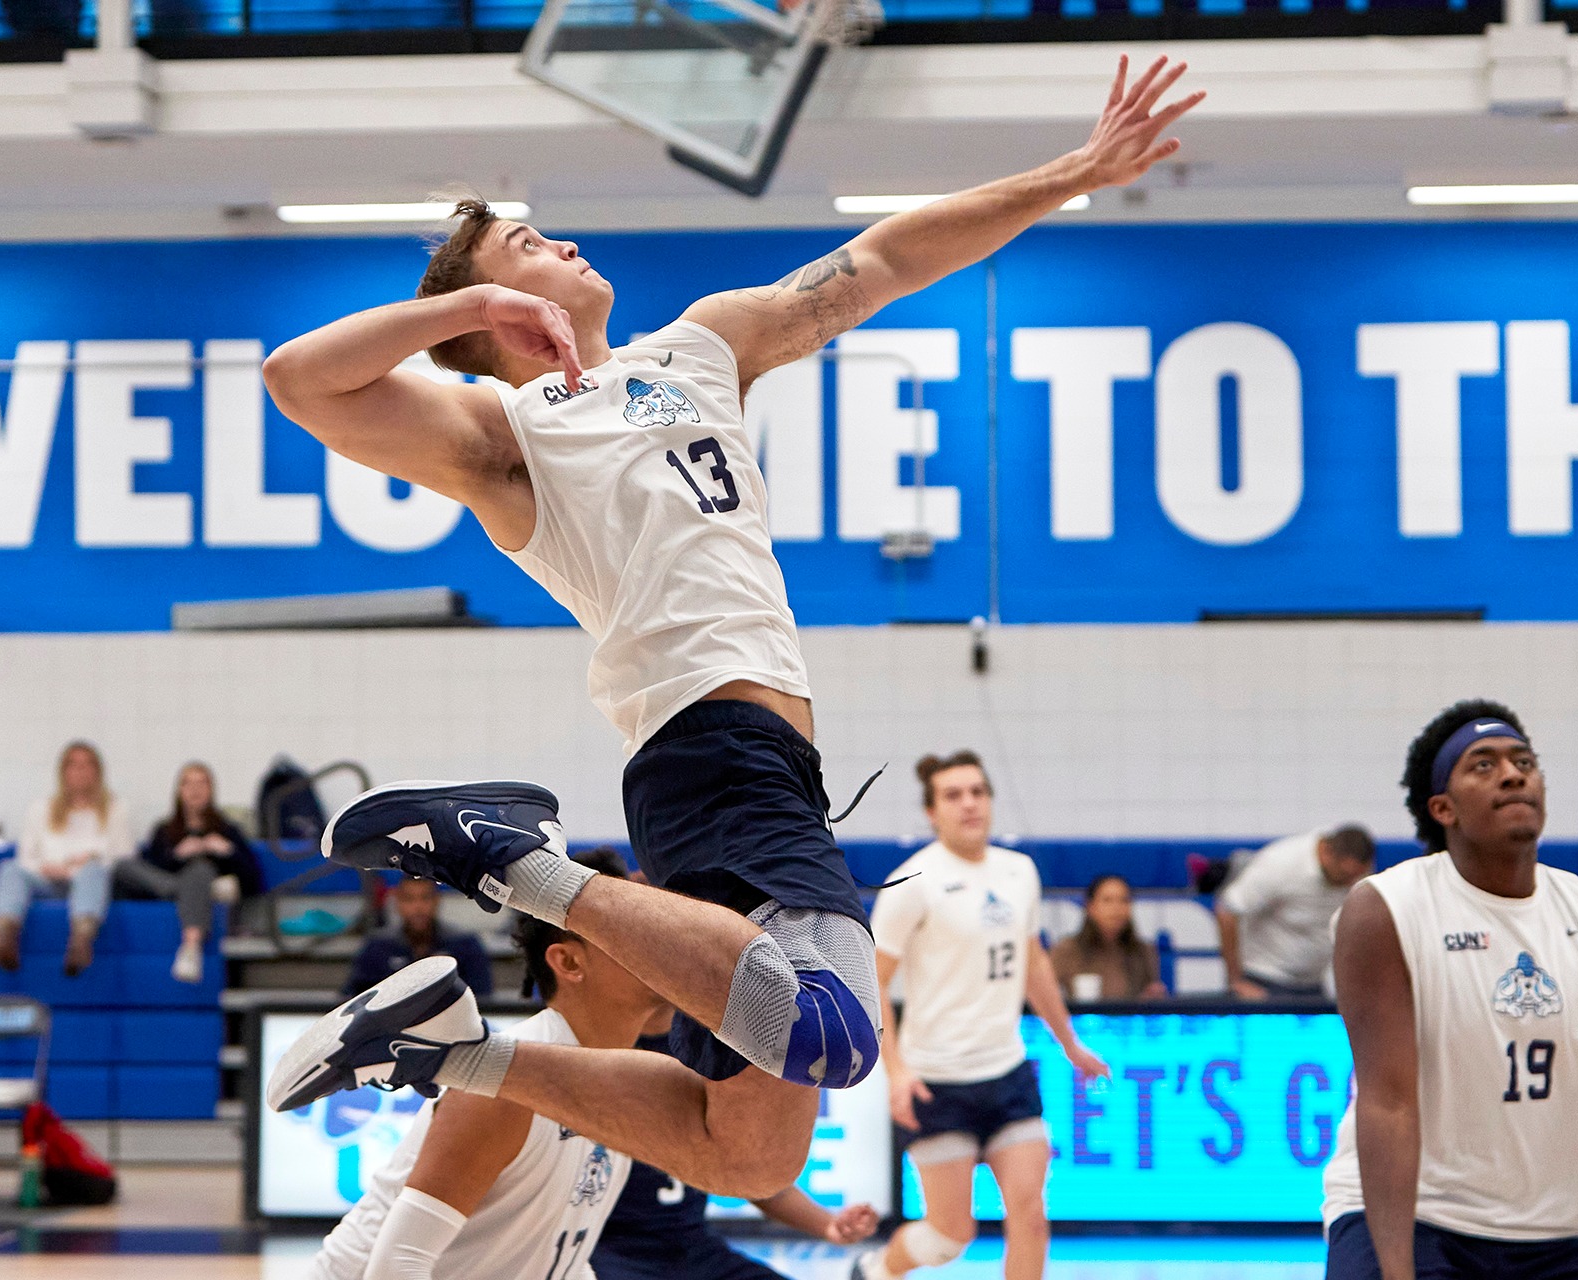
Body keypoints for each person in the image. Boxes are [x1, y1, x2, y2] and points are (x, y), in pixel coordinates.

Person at [260, 56, 1202, 1200]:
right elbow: (298, 380)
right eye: (526, 244)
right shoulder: (510, 429)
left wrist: (1078, 172)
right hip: (711, 739)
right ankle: (508, 858)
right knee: (839, 1033)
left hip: (744, 767)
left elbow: (890, 259)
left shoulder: (700, 344)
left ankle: (447, 1051)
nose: (557, 245)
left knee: (747, 1149)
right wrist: (463, 305)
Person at [1323, 700, 1578, 1279]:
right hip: (1418, 1216)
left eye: (1524, 761)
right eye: (1483, 765)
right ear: (1443, 808)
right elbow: (1388, 1103)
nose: (1512, 774)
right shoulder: (1386, 908)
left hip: (1555, 1231)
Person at [305, 851, 654, 1280]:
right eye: (632, 931)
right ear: (569, 962)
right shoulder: (508, 1085)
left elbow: (558, 1257)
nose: (658, 945)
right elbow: (397, 1265)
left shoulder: (622, 1082)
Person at [853, 752, 1106, 1280]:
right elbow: (870, 983)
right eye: (953, 795)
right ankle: (876, 1269)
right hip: (937, 1083)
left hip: (1007, 1073)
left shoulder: (1020, 871)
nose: (969, 803)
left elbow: (1033, 962)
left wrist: (1070, 1043)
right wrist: (896, 1073)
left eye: (977, 791)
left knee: (1031, 1216)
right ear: (932, 811)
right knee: (950, 1237)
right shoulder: (913, 881)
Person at [593, 1004, 879, 1280]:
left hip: (693, 1248)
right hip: (605, 1249)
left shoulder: (705, 1042)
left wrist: (828, 1224)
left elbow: (748, 1170)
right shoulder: (587, 1047)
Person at [0, 741, 134, 977]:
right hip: (47, 879)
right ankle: (3, 940)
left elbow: (125, 858)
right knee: (10, 868)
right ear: (63, 772)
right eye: (74, 765)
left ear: (98, 772)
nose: (80, 771)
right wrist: (47, 868)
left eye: (87, 765)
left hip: (91, 882)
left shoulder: (116, 809)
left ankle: (80, 942)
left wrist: (86, 862)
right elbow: (26, 856)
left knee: (93, 871)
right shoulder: (40, 809)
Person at [114, 761, 262, 983]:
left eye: (201, 783)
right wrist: (177, 856)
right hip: (169, 885)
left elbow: (254, 881)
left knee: (200, 869)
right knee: (122, 866)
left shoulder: (227, 830)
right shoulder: (164, 830)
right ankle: (193, 890)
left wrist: (227, 852)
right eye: (188, 783)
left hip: (203, 879)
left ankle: (191, 946)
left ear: (211, 790)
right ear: (179, 790)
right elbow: (149, 870)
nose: (195, 790)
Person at [1217, 824, 1375, 999]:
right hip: (1264, 982)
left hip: (1314, 984)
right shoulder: (1280, 864)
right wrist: (1234, 981)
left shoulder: (1354, 870)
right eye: (1345, 875)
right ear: (1326, 853)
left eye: (1357, 876)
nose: (1350, 883)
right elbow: (1228, 910)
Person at [346, 876, 495, 1000]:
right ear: (398, 903)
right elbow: (354, 998)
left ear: (437, 901)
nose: (418, 907)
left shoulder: (464, 944)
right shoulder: (378, 946)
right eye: (409, 899)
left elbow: (483, 998)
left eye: (425, 898)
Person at [1048, 873, 1166, 1002]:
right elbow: (1043, 994)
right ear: (1091, 907)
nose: (1116, 908)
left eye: (1124, 900)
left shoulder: (1144, 951)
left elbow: (1152, 1000)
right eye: (1107, 900)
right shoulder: (1066, 950)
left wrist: (1152, 998)